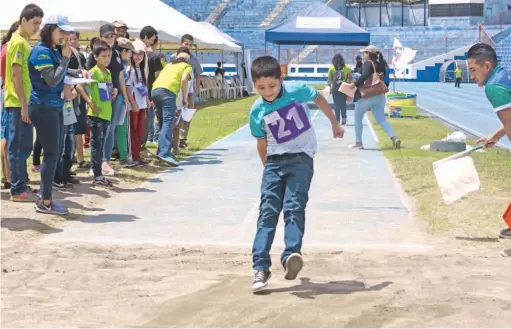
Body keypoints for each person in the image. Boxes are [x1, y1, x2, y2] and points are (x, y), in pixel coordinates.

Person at [248, 56, 344, 292]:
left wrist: (334, 123)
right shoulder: (257, 111)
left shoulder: (297, 90)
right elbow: (261, 144)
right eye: (261, 88)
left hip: (301, 159)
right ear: (254, 86)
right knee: (267, 213)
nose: (268, 92)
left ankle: (291, 254)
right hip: (274, 163)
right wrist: (266, 167)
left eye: (272, 86)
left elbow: (319, 99)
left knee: (293, 207)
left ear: (281, 80)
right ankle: (260, 267)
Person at [28, 14, 88, 214]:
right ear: (50, 29)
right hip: (43, 106)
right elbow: (53, 79)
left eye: (67, 31)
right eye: (61, 31)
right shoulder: (41, 52)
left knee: (57, 152)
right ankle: (45, 201)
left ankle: (45, 198)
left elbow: (61, 72)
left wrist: (79, 74)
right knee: (52, 154)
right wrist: (65, 57)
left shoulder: (53, 50)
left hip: (55, 105)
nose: (65, 35)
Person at [467, 43, 511, 239]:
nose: (472, 76)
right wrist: (497, 135)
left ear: (486, 66)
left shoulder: (494, 87)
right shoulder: (504, 74)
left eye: (473, 70)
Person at [4, 4, 44, 202]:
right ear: (24, 21)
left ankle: (21, 184)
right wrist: (24, 104)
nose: (37, 27)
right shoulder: (18, 42)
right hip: (17, 103)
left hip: (22, 101)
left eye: (39, 23)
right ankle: (17, 189)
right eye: (34, 23)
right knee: (18, 147)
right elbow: (15, 74)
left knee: (24, 145)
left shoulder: (22, 42)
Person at [86, 23, 128, 175]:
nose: (110, 39)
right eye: (107, 36)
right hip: (99, 99)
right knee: (98, 133)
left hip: (115, 95)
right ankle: (96, 164)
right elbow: (87, 78)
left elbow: (120, 76)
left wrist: (123, 94)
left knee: (111, 129)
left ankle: (105, 161)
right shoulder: (95, 54)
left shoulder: (116, 53)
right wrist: (90, 101)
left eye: (112, 36)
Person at [345, 45, 401, 150]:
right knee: (381, 120)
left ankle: (358, 142)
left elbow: (365, 75)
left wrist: (354, 84)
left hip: (366, 96)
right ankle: (394, 137)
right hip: (379, 95)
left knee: (358, 119)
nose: (363, 55)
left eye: (364, 53)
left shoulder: (368, 63)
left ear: (368, 54)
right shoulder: (381, 64)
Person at [76, 40, 115, 187]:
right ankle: (96, 174)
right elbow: (79, 87)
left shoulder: (108, 72)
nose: (107, 59)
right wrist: (90, 102)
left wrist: (113, 92)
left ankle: (99, 173)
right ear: (96, 56)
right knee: (96, 144)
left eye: (109, 56)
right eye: (104, 56)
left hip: (106, 113)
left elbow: (107, 90)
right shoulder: (93, 72)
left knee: (102, 144)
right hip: (96, 114)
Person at [151, 47, 192, 166]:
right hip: (168, 92)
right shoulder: (186, 66)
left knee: (162, 123)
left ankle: (160, 152)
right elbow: (184, 80)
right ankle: (165, 153)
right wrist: (184, 98)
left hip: (155, 91)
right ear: (187, 60)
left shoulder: (169, 65)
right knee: (169, 123)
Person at [135, 26, 162, 146]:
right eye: (152, 39)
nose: (152, 43)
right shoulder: (138, 48)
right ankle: (139, 143)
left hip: (143, 87)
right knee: (144, 118)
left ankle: (141, 143)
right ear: (146, 37)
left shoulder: (144, 49)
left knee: (144, 118)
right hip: (139, 88)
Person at [1, 21, 20, 190]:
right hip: (10, 95)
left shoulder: (7, 48)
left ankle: (8, 176)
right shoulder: (10, 48)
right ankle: (9, 176)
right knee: (8, 138)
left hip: (8, 94)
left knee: (7, 137)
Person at [177, 34, 202, 150]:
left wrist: (197, 89)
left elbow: (198, 75)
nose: (188, 47)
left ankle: (183, 139)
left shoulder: (194, 59)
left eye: (191, 45)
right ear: (181, 44)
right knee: (177, 115)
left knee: (187, 115)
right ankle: (175, 139)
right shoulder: (174, 57)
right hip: (177, 91)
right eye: (186, 44)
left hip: (190, 92)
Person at [125, 44, 149, 165]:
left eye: (141, 54)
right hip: (134, 102)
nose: (138, 56)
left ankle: (137, 154)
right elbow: (128, 87)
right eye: (136, 53)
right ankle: (133, 155)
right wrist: (132, 102)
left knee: (140, 130)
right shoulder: (129, 70)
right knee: (133, 130)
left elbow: (143, 87)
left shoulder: (141, 69)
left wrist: (147, 99)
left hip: (142, 102)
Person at [68, 31, 89, 169]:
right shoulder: (65, 55)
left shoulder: (80, 55)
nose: (73, 41)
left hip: (80, 94)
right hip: (69, 94)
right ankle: (71, 157)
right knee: (71, 128)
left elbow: (84, 72)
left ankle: (80, 158)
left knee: (80, 127)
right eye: (70, 39)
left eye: (75, 39)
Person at [328, 54, 351, 125]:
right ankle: (344, 118)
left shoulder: (331, 68)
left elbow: (329, 80)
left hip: (335, 88)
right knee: (343, 104)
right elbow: (349, 78)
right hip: (344, 88)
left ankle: (337, 120)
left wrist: (329, 88)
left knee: (336, 104)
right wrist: (350, 89)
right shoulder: (347, 68)